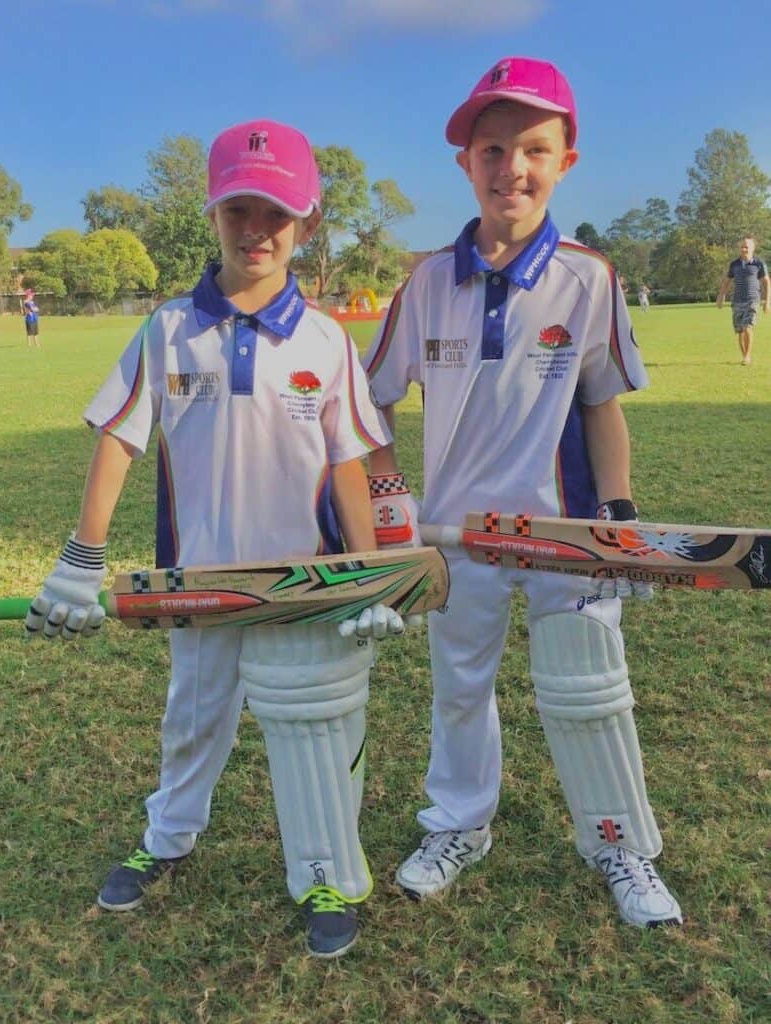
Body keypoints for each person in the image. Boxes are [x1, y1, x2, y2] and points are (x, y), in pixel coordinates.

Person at [26, 119, 412, 959]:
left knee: (310, 734)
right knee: (192, 722)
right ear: (212, 215)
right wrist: (81, 557)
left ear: (306, 223)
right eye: (238, 208)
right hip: (197, 586)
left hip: (302, 591)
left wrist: (372, 578)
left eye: (276, 212)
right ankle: (168, 838)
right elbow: (119, 438)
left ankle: (323, 872)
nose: (256, 229)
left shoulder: (323, 341)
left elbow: (350, 463)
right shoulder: (167, 329)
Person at [363, 56, 683, 929]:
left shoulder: (589, 277)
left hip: (563, 535)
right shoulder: (425, 283)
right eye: (493, 149)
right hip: (456, 535)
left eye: (533, 149)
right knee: (458, 687)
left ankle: (619, 846)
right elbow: (371, 406)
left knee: (586, 689)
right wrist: (394, 511)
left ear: (566, 160)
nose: (513, 167)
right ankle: (459, 825)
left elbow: (601, 406)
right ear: (465, 162)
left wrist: (614, 518)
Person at [716, 237, 769, 365]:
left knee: (748, 327)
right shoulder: (734, 264)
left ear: (753, 248)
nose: (744, 249)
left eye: (747, 247)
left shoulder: (759, 263)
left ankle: (748, 356)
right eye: (742, 247)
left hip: (752, 300)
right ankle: (744, 355)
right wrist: (721, 296)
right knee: (740, 331)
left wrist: (768, 301)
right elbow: (727, 281)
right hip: (737, 301)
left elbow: (766, 282)